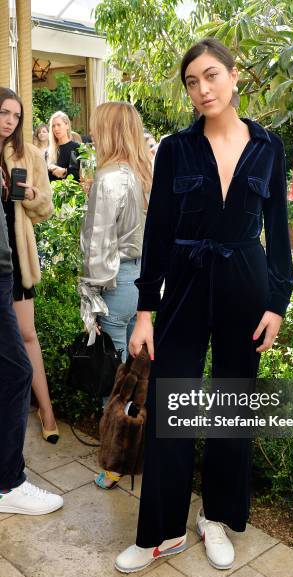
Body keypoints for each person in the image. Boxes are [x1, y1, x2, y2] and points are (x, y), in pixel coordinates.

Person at [115, 38, 293, 573]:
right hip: (187, 285)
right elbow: (159, 233)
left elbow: (279, 234)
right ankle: (162, 532)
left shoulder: (269, 146)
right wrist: (146, 309)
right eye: (192, 81)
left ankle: (215, 517)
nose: (202, 89)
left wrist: (278, 301)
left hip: (246, 283)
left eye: (211, 75)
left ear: (235, 77)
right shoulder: (174, 149)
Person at [78, 101, 152, 490]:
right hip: (144, 283)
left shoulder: (109, 178)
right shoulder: (145, 174)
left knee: (118, 380)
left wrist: (88, 294)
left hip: (116, 282)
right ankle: (138, 453)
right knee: (138, 375)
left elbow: (97, 247)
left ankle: (116, 462)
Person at [0, 87, 59, 447]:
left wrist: (34, 197)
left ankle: (47, 411)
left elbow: (46, 209)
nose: (10, 121)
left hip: (14, 259)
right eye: (4, 113)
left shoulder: (29, 154)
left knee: (27, 334)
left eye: (16, 115)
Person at [47, 111, 80, 182]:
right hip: (50, 192)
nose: (56, 129)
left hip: (69, 192)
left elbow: (78, 175)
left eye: (59, 125)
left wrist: (64, 172)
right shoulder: (49, 151)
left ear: (67, 126)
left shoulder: (75, 148)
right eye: (53, 126)